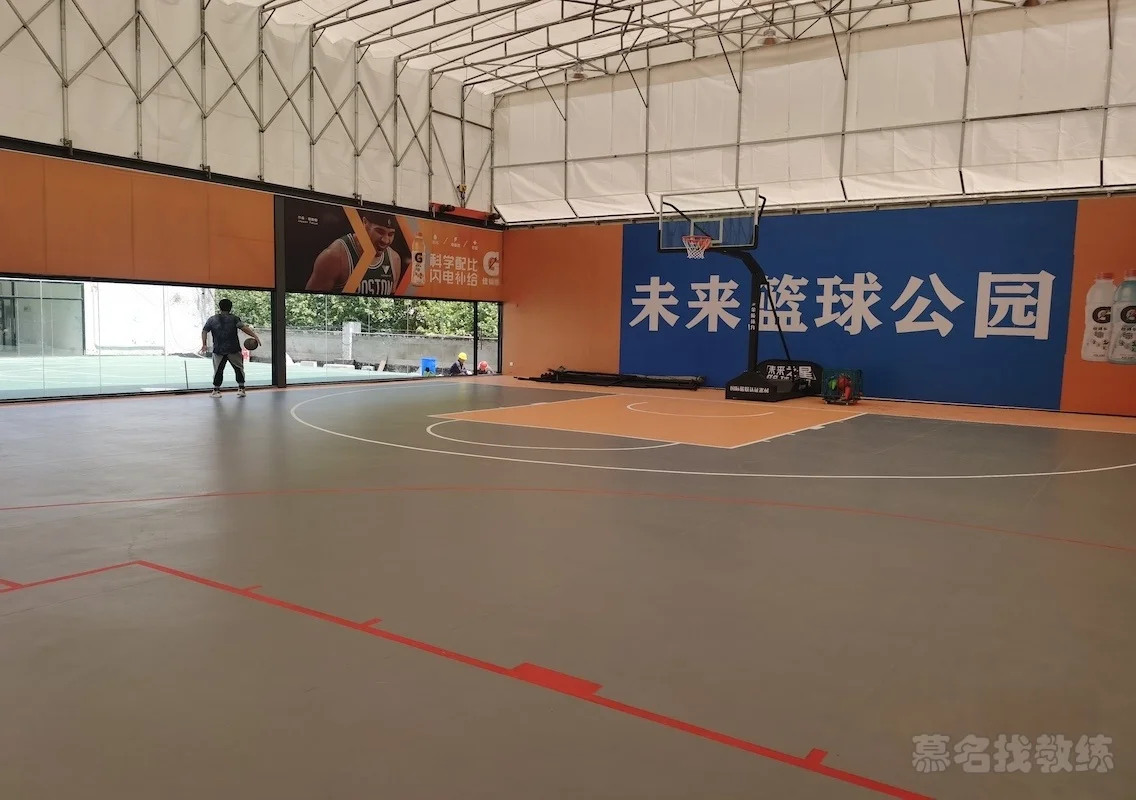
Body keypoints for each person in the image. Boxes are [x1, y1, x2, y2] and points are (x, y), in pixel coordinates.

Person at [304, 212, 403, 295]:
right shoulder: (335, 256)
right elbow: (311, 300)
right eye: (379, 231)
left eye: (391, 234)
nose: (385, 240)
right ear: (364, 223)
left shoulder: (394, 259)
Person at [200, 298, 261, 398]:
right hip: (233, 348)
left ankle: (216, 390)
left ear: (219, 307)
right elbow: (243, 328)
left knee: (218, 370)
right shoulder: (234, 318)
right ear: (230, 308)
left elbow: (204, 331)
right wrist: (255, 336)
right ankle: (241, 389)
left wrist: (204, 344)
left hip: (218, 349)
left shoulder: (212, 319)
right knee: (238, 369)